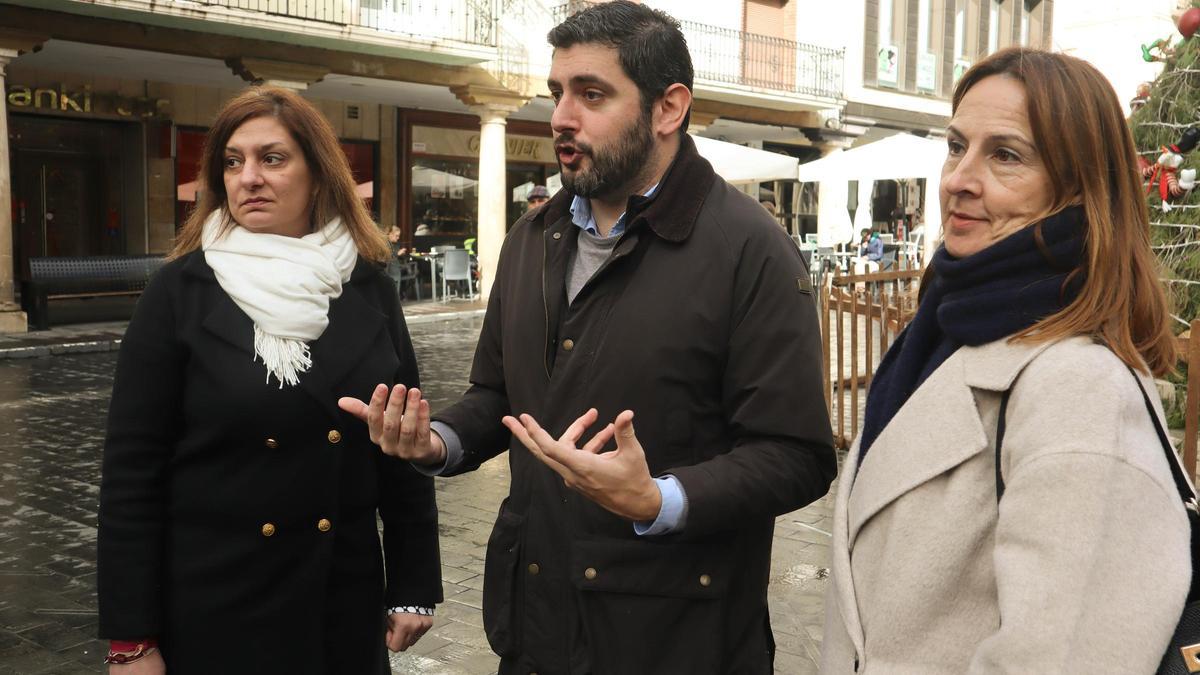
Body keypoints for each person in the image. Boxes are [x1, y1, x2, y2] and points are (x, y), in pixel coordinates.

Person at [338, 2, 835, 673]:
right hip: (534, 631)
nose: (561, 118)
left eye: (592, 94)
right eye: (557, 93)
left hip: (675, 644)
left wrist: (661, 498)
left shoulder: (750, 250)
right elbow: (498, 394)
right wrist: (439, 441)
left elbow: (797, 454)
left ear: (668, 108)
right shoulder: (531, 238)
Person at [821, 47, 1190, 673]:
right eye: (956, 146)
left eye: (1006, 155)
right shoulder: (942, 335)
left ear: (1080, 189)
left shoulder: (1080, 388)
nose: (958, 179)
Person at [97, 87, 442, 675]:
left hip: (340, 598)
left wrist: (413, 583)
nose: (249, 177)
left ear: (319, 173)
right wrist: (131, 639)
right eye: (233, 162)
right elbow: (132, 473)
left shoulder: (369, 288)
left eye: (272, 159)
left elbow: (401, 441)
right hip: (217, 602)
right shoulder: (179, 292)